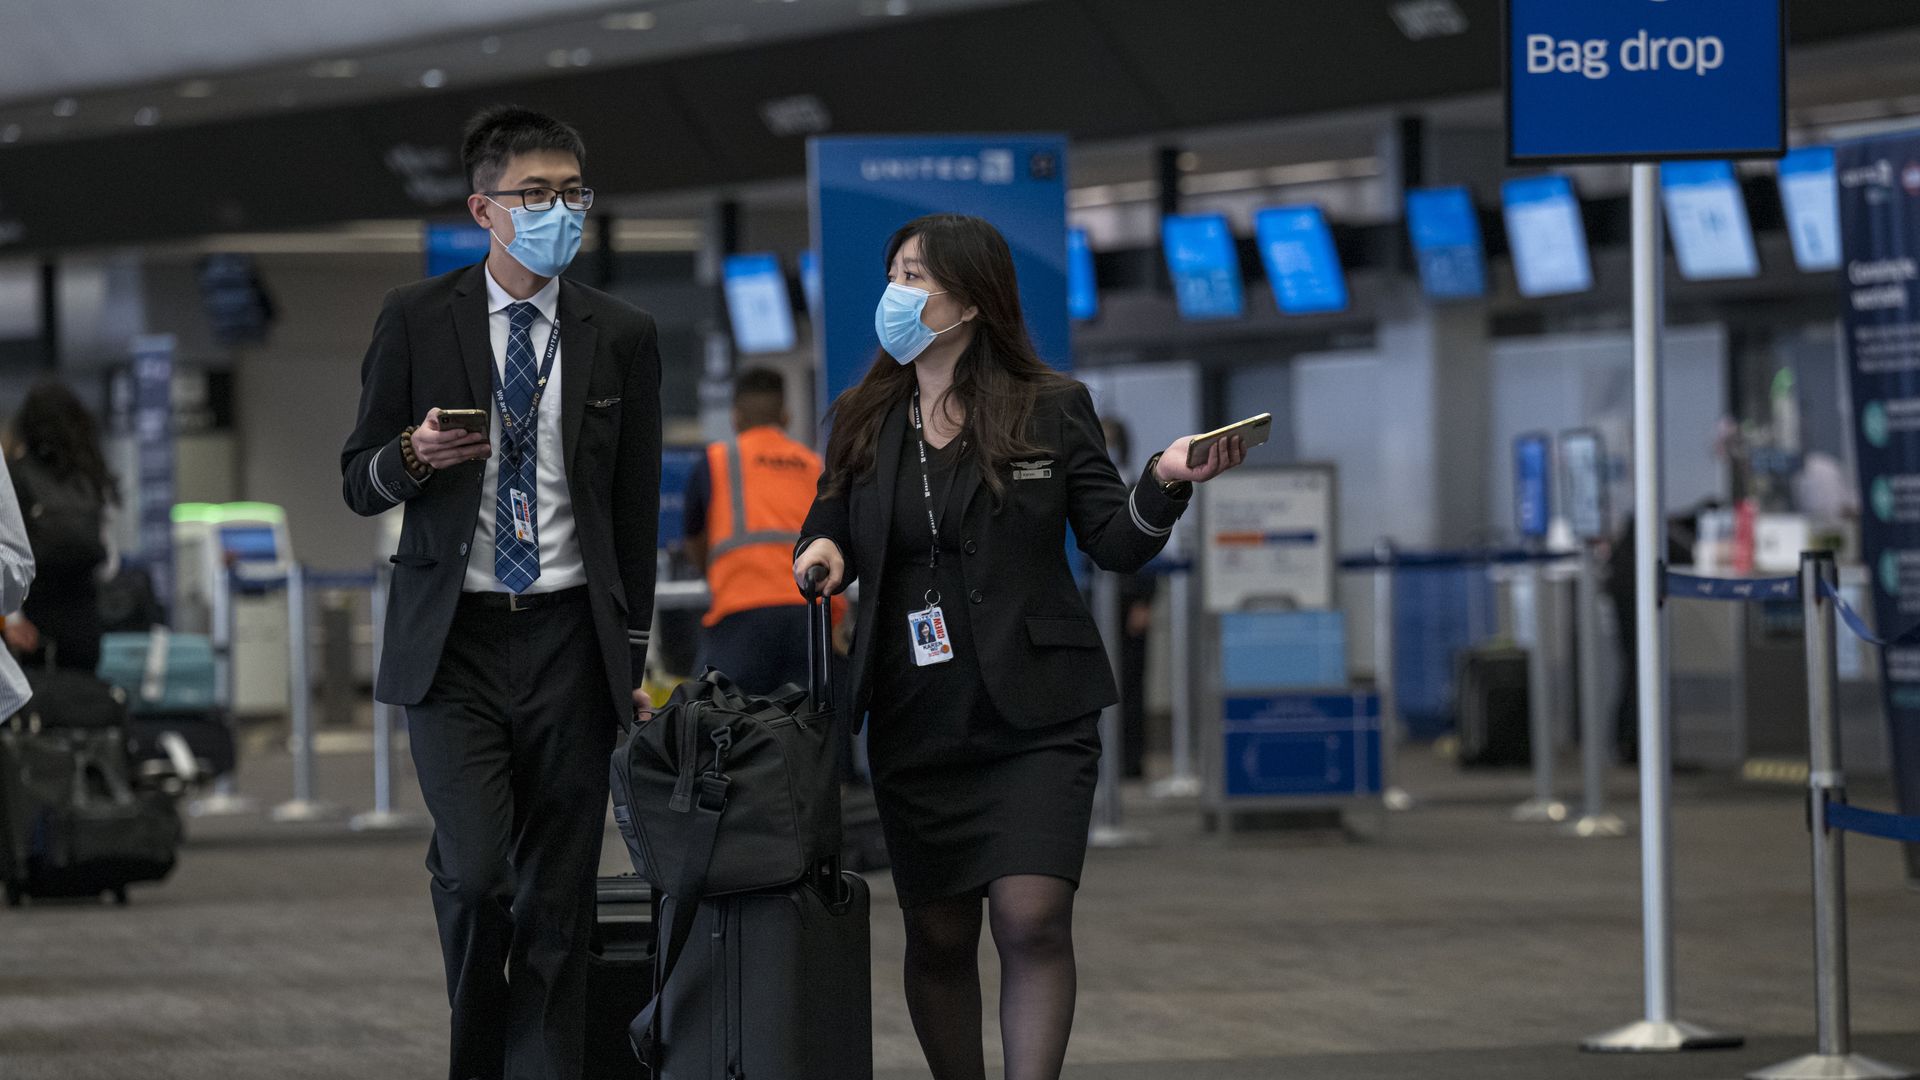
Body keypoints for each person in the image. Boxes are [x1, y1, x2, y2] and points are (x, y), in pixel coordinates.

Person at [792, 213, 1246, 1080]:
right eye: (895, 272)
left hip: (1038, 709)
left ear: (972, 296)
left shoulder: (1050, 405)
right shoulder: (862, 415)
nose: (899, 291)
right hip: (915, 711)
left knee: (1032, 917)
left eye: (918, 275)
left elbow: (1114, 541)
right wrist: (821, 551)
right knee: (937, 932)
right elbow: (831, 514)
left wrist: (1163, 482)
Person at [339, 105, 661, 1080]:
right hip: (458, 644)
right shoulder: (415, 317)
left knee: (557, 905)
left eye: (572, 193)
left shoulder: (622, 334)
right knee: (479, 878)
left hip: (571, 640)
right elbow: (357, 479)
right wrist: (412, 454)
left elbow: (634, 513)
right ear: (484, 207)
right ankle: (478, 1058)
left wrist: (632, 657)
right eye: (534, 194)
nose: (557, 211)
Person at [682, 366, 844, 693]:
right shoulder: (814, 465)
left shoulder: (715, 461)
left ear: (736, 418)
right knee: (816, 730)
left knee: (728, 727)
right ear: (785, 417)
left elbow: (695, 539)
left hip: (740, 617)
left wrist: (715, 574)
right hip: (811, 614)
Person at [5, 380, 116, 673]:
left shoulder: (15, 475)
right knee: (82, 704)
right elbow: (108, 562)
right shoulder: (89, 475)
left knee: (34, 712)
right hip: (84, 619)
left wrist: (12, 619)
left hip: (31, 621)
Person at [1100, 417, 1160, 779]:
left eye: (1113, 440)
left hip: (1129, 601)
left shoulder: (1138, 486)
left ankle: (1131, 761)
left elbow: (1151, 546)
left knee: (1133, 683)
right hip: (1094, 600)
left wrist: (1146, 602)